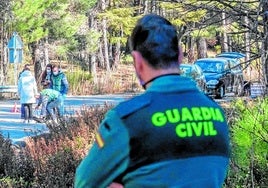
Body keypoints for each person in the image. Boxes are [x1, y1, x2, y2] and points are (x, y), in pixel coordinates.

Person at [75, 14, 230, 188]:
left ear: (137, 61)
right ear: (179, 55)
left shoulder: (126, 120)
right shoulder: (216, 113)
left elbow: (84, 183)